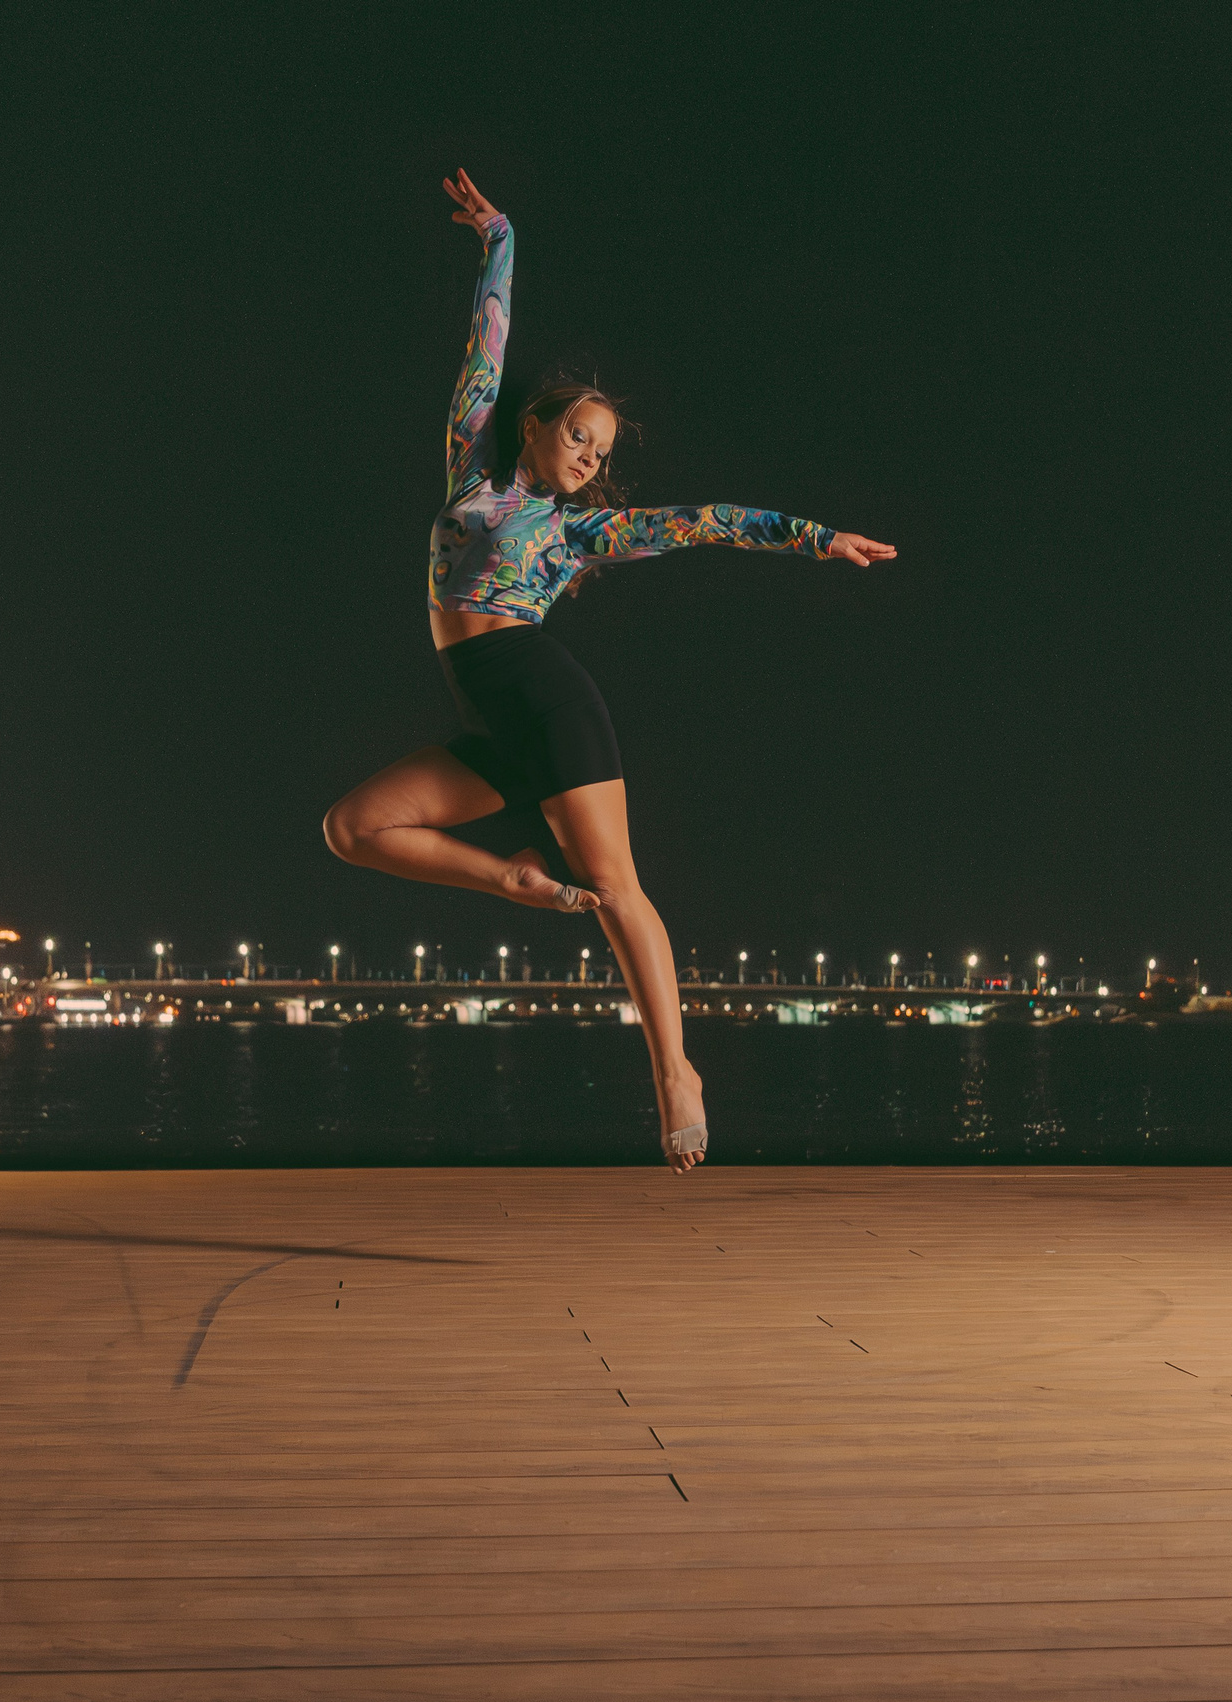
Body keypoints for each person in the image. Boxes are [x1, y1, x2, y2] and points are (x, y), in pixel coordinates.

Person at [323, 169, 895, 1173]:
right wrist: (499, 236)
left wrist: (818, 539)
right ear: (538, 424)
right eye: (578, 437)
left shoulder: (587, 533)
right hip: (490, 715)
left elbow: (711, 522)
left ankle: (675, 1070)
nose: (589, 459)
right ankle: (514, 881)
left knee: (618, 883)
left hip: (539, 691)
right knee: (355, 828)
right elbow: (485, 342)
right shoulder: (474, 463)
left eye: (601, 453)